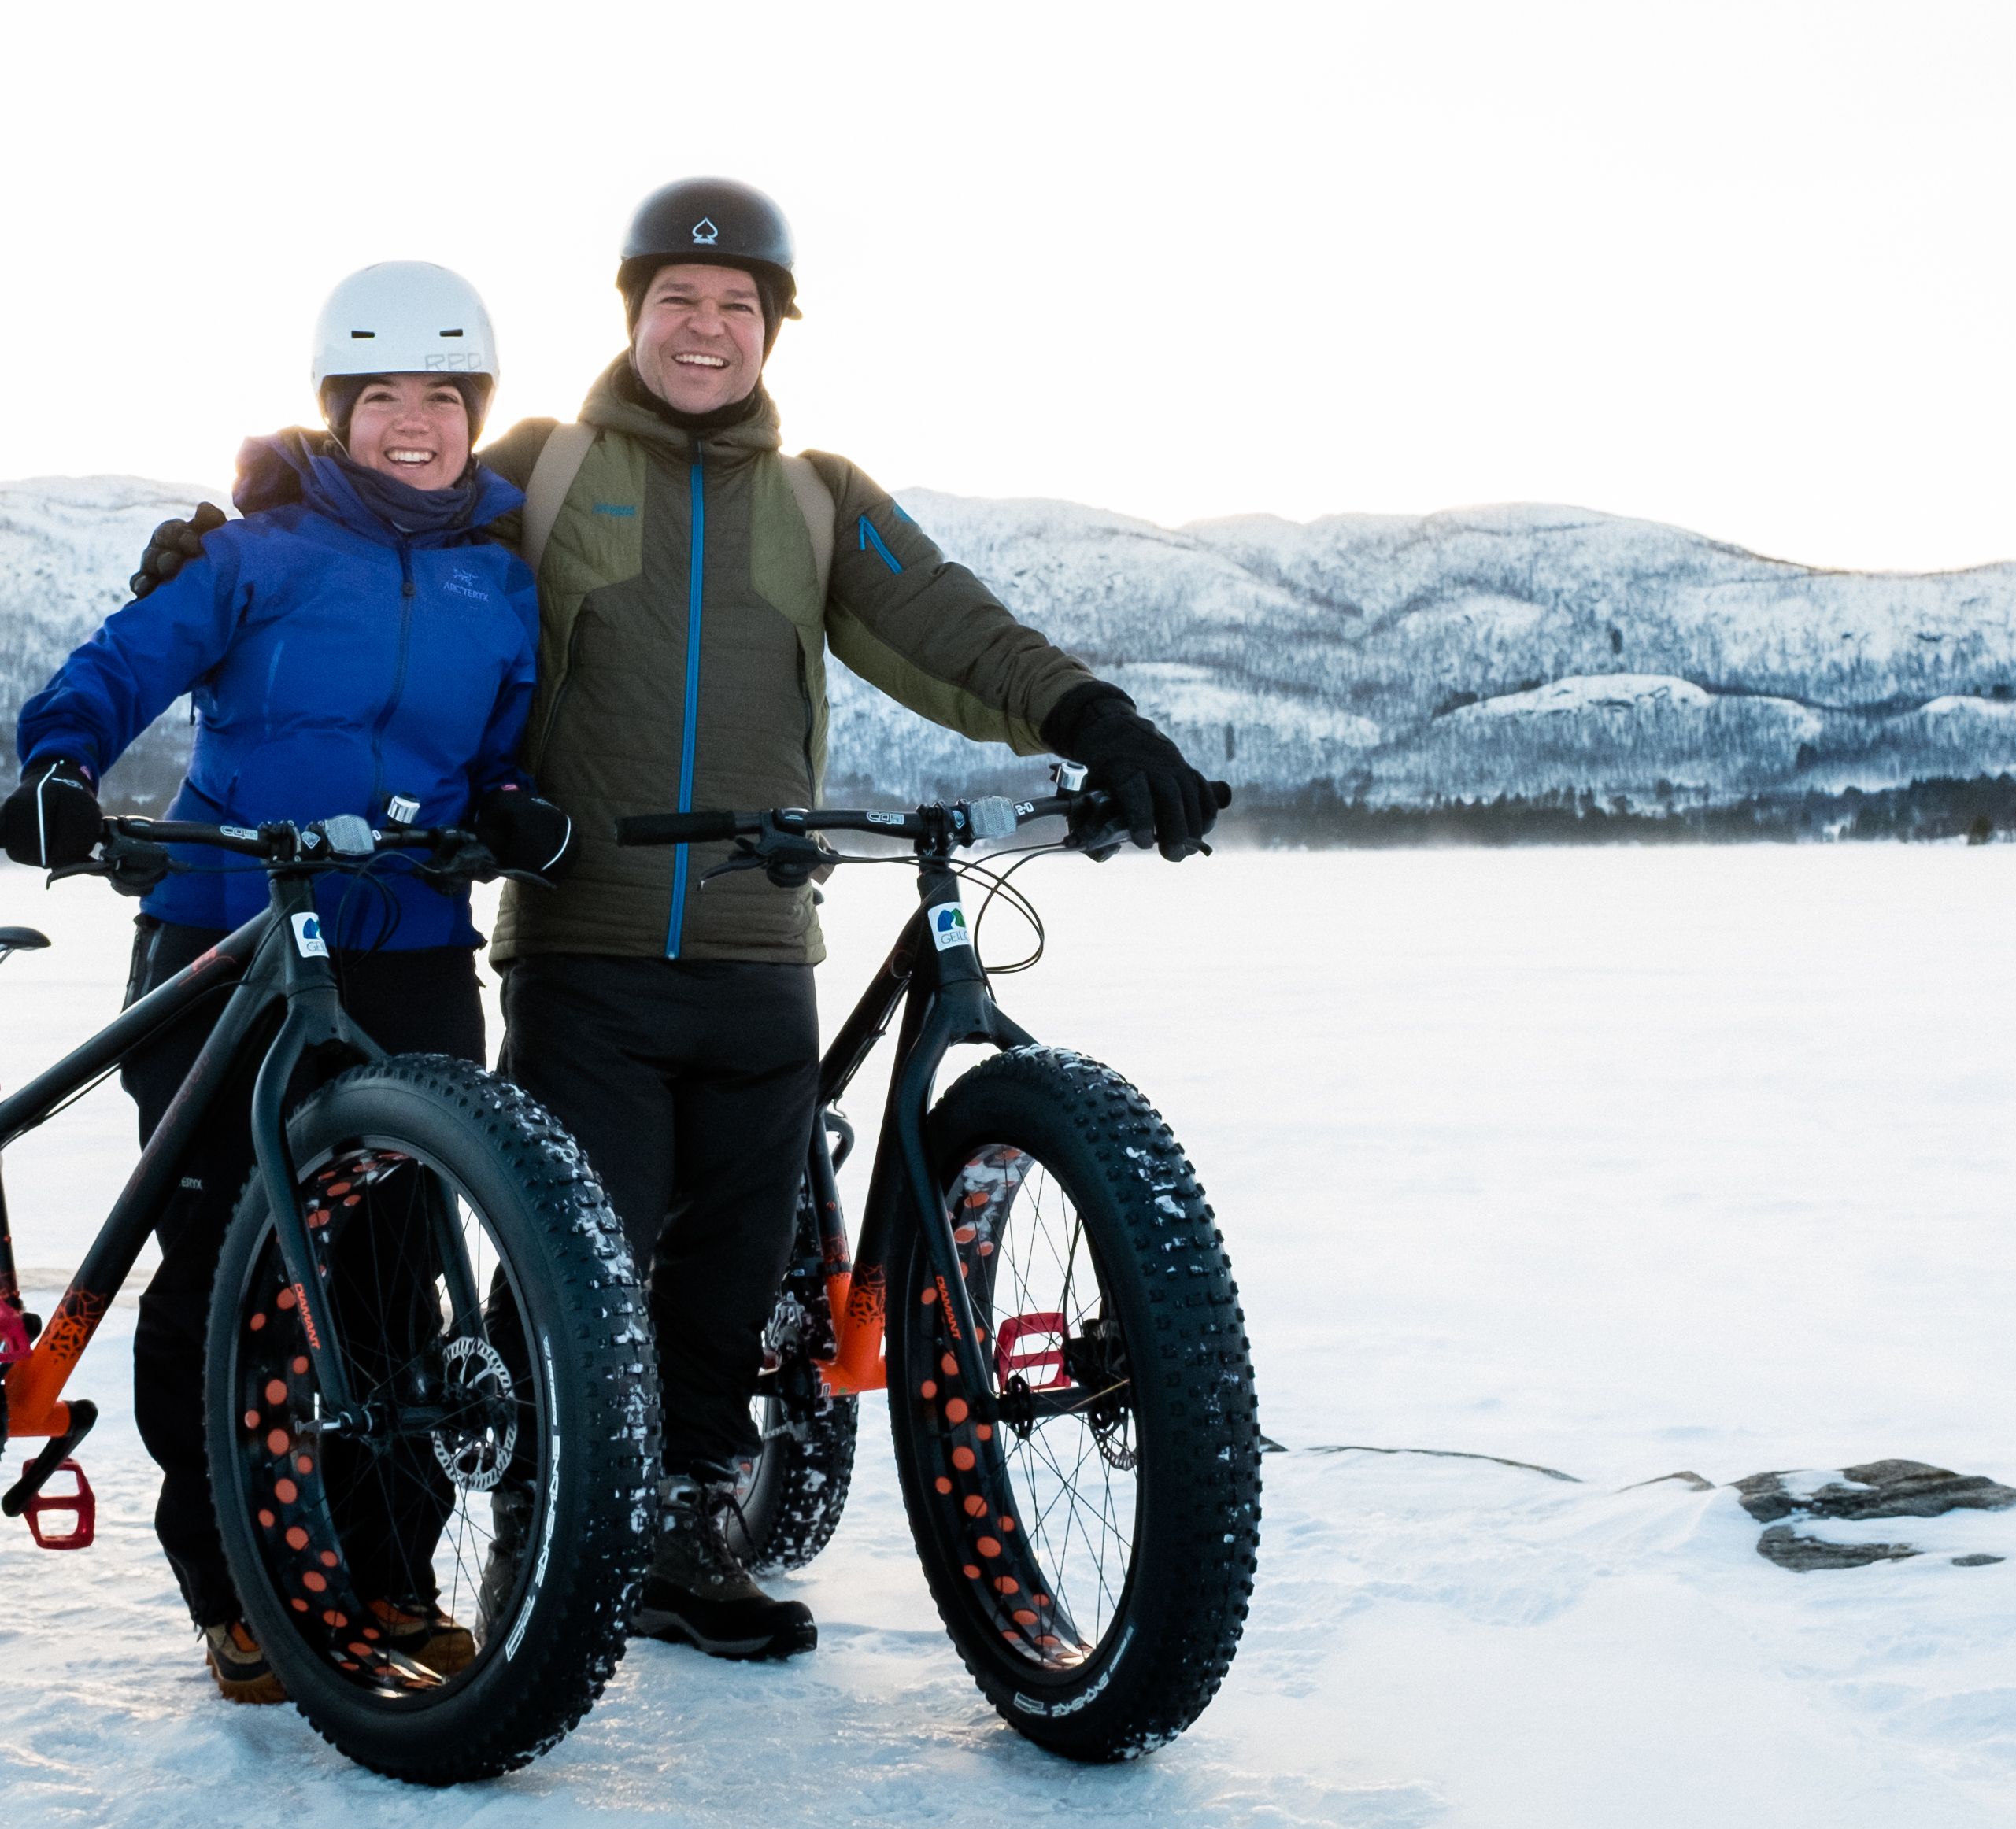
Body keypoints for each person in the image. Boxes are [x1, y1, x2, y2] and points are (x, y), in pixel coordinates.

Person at [138, 183, 1219, 1661]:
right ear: (633, 316)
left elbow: (950, 626)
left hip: (762, 947)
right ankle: (546, 1516)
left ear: (773, 327)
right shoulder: (546, 467)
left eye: (735, 307)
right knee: (581, 1250)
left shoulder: (821, 496)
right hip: (583, 942)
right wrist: (246, 507)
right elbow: (390, 523)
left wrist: (1097, 717)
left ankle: (688, 1522)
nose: (704, 329)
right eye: (675, 303)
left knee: (731, 1259)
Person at [0, 260, 578, 1705]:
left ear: (475, 414)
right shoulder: (253, 555)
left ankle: (388, 1574)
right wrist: (60, 764)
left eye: (442, 399)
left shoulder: (500, 581)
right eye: (383, 398)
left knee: (393, 1287)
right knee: (221, 1272)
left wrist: (511, 803)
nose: (414, 425)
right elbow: (121, 666)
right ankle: (235, 1581)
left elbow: (499, 743)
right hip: (227, 937)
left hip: (413, 951)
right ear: (340, 410)